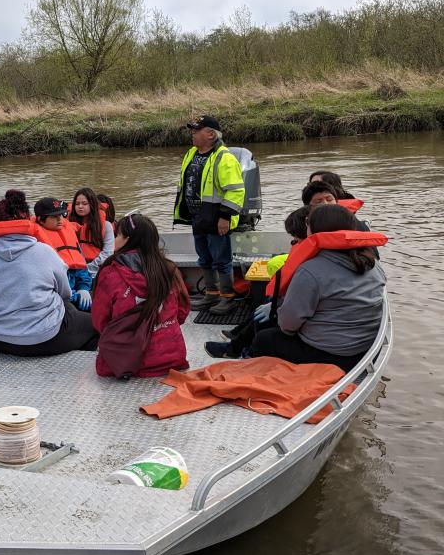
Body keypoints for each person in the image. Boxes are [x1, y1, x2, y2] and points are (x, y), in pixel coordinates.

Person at [0, 189, 98, 356]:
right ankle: (74, 362)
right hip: (48, 337)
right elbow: (65, 293)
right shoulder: (45, 252)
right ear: (28, 220)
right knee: (97, 324)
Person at [246, 204, 387, 372]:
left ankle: (255, 376)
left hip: (330, 354)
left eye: (307, 224)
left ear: (314, 231)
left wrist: (278, 308)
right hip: (363, 349)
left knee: (263, 337)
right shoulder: (373, 263)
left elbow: (288, 325)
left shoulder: (310, 271)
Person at [92, 213, 190, 378]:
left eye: (117, 235)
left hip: (123, 363)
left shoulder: (110, 273)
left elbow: (99, 320)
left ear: (127, 240)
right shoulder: (170, 270)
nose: (114, 240)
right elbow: (183, 311)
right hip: (171, 359)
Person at [204, 206, 310, 359]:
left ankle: (241, 350)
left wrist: (278, 307)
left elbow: (295, 314)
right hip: (303, 316)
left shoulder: (313, 269)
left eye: (297, 239)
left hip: (311, 333)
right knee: (266, 306)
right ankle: (237, 343)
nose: (294, 243)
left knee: (265, 324)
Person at [173, 115, 245, 314]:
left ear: (211, 134)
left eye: (197, 131)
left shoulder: (225, 158)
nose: (192, 134)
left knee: (221, 260)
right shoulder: (191, 153)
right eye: (193, 131)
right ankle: (211, 295)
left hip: (217, 219)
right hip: (198, 217)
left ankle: (228, 298)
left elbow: (236, 191)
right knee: (204, 258)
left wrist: (225, 217)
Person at [32, 197, 93, 310]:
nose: (60, 219)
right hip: (59, 298)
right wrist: (73, 295)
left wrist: (83, 288)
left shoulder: (67, 232)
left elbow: (79, 264)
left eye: (61, 215)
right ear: (40, 219)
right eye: (54, 216)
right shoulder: (35, 244)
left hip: (77, 289)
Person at [68, 187, 113, 278]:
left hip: (97, 271)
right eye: (77, 204)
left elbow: (107, 253)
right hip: (74, 269)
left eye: (84, 203)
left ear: (92, 205)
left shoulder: (106, 225)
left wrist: (89, 268)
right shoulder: (68, 226)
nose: (80, 206)